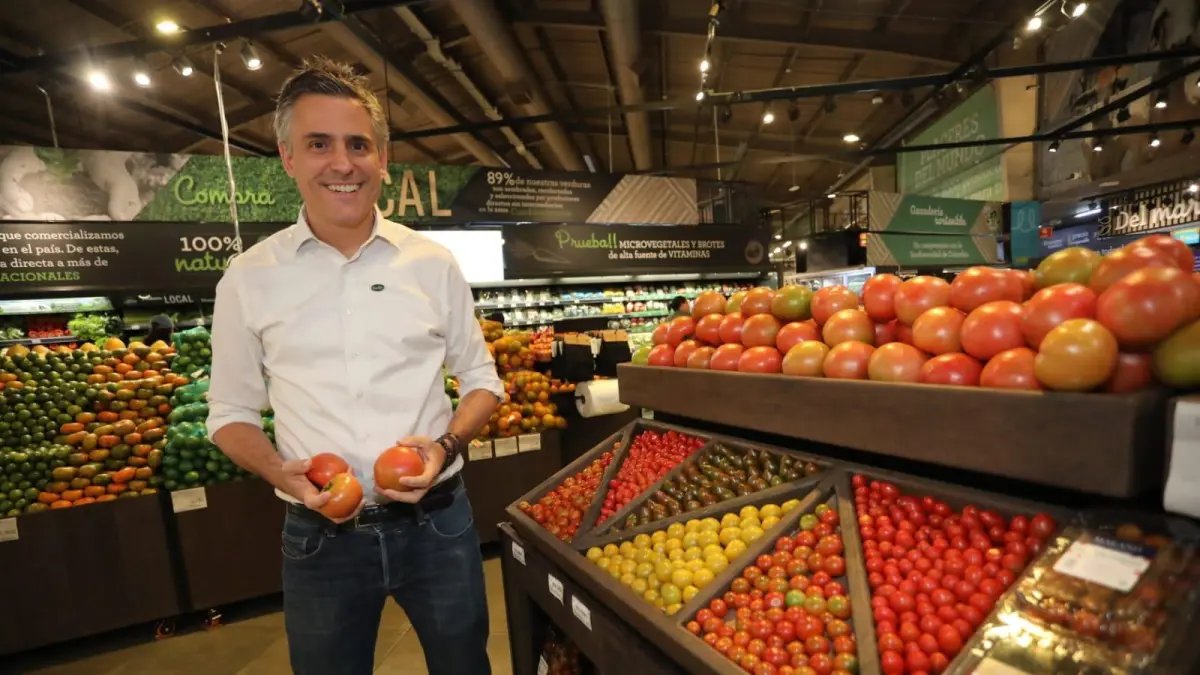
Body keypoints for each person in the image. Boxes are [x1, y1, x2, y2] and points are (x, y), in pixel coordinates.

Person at [206, 57, 502, 675]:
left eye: (358, 145)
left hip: (438, 525)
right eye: (319, 144)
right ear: (288, 157)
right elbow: (229, 413)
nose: (342, 163)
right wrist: (279, 473)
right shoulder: (248, 277)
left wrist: (445, 446)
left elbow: (482, 381)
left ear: (382, 159)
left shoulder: (431, 262)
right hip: (321, 540)